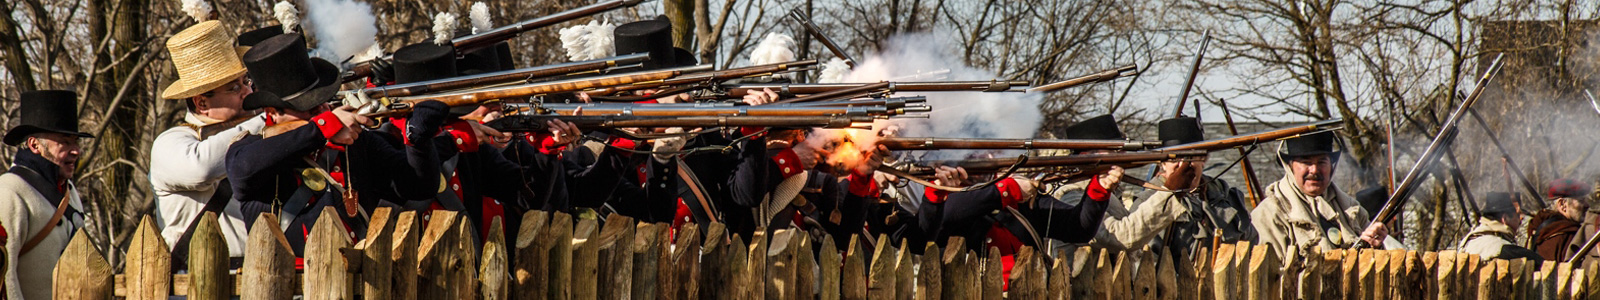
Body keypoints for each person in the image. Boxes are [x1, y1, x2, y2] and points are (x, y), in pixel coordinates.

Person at [151, 20, 265, 267]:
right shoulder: (170, 141)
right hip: (198, 271)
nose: (247, 92)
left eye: (245, 82)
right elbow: (202, 168)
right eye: (234, 88)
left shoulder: (251, 132)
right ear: (201, 103)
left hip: (253, 268)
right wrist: (268, 118)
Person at [1092, 117, 1256, 257]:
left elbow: (1252, 243)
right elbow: (1142, 260)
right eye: (1174, 158)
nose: (1182, 165)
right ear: (1162, 163)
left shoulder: (1226, 196)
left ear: (1203, 159)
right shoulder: (1146, 203)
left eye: (1190, 157)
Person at [0, 90, 94, 299]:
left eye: (76, 142)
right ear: (35, 145)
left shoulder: (69, 191)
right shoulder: (10, 191)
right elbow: (5, 276)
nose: (76, 151)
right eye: (65, 142)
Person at [1250, 131, 1390, 256]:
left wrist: (1374, 247)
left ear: (1331, 166)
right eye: (1306, 162)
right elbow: (1270, 272)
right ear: (1290, 167)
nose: (1314, 170)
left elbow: (1373, 265)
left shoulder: (1353, 211)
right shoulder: (1269, 214)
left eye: (1322, 162)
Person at [1459, 192, 1543, 260]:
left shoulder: (1467, 243)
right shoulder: (1503, 249)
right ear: (1505, 218)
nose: (1520, 220)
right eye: (1517, 216)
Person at [1529, 178, 1588, 260]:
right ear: (1562, 204)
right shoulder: (1567, 236)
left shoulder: (1537, 227)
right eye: (1581, 200)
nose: (1586, 205)